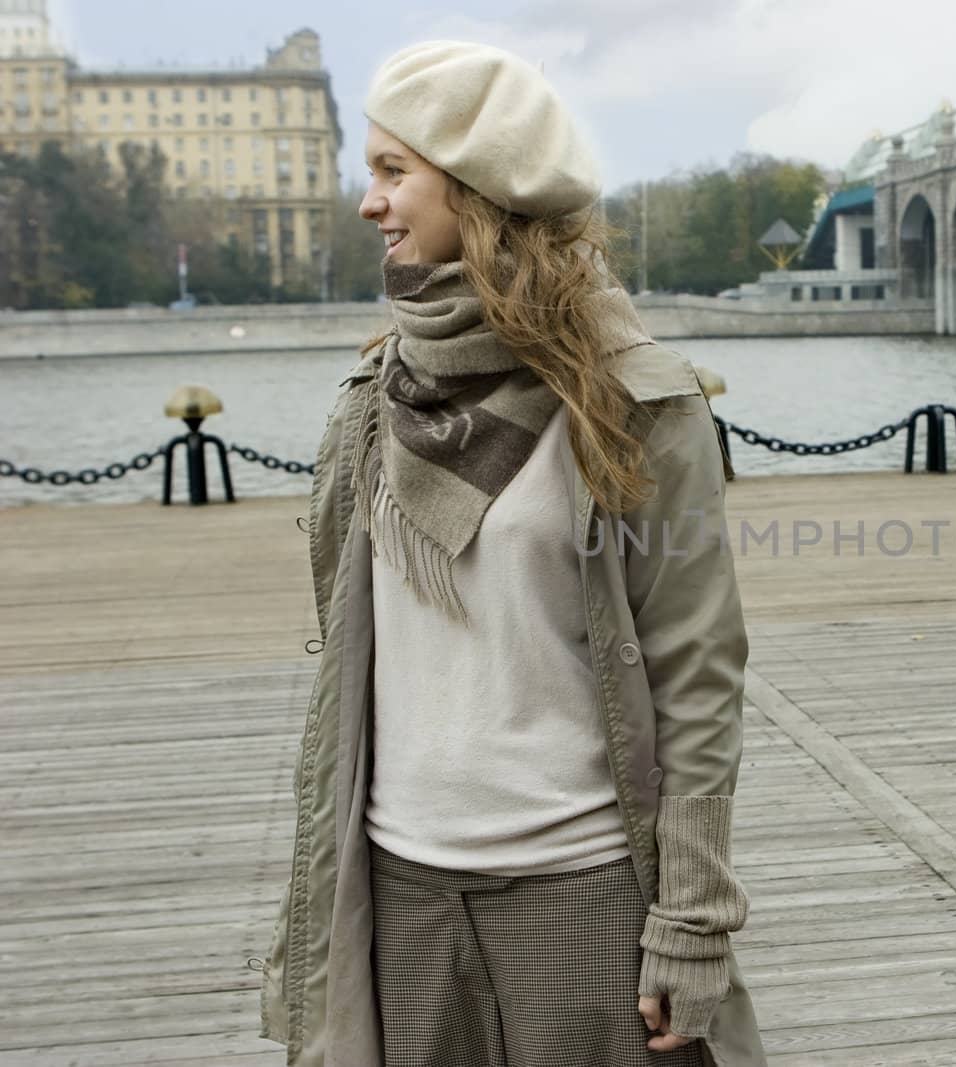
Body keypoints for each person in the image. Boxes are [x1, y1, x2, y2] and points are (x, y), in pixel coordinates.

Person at [256, 40, 765, 1067]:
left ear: (479, 187)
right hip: (396, 885)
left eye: (394, 171)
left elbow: (698, 674)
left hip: (584, 889)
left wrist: (693, 917)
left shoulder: (635, 403)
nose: (370, 202)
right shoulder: (376, 397)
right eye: (373, 171)